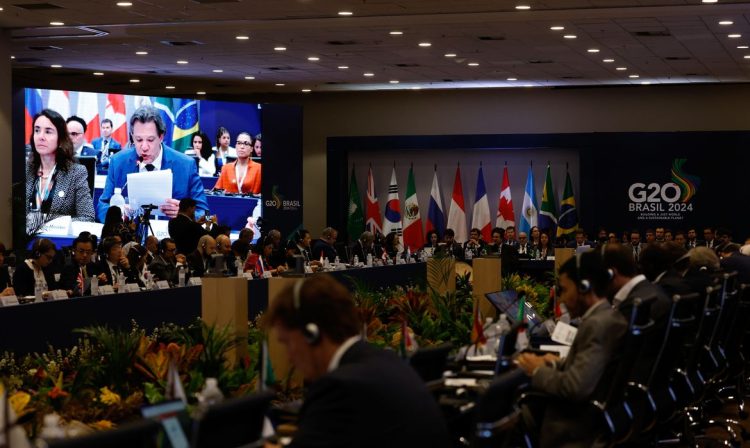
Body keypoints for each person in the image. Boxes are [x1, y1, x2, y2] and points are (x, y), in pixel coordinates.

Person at [266, 274, 451, 448]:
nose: (289, 356)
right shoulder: (387, 359)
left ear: (311, 334)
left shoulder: (338, 388)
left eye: (287, 342)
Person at [515, 250, 628, 448]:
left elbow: (574, 387)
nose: (563, 299)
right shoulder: (606, 318)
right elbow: (589, 367)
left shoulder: (598, 325)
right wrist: (552, 362)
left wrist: (537, 370)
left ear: (584, 287)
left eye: (565, 290)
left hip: (574, 426)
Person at [97, 105, 209, 222]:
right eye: (139, 140)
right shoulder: (118, 162)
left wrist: (184, 214)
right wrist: (118, 214)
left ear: (161, 137)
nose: (144, 147)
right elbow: (102, 207)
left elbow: (204, 214)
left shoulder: (186, 165)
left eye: (150, 140)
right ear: (132, 137)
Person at [26, 109, 95, 222]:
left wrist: (53, 223)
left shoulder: (76, 172)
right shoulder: (24, 169)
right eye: (37, 130)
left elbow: (87, 217)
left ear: (60, 139)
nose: (40, 136)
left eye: (48, 132)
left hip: (58, 239)